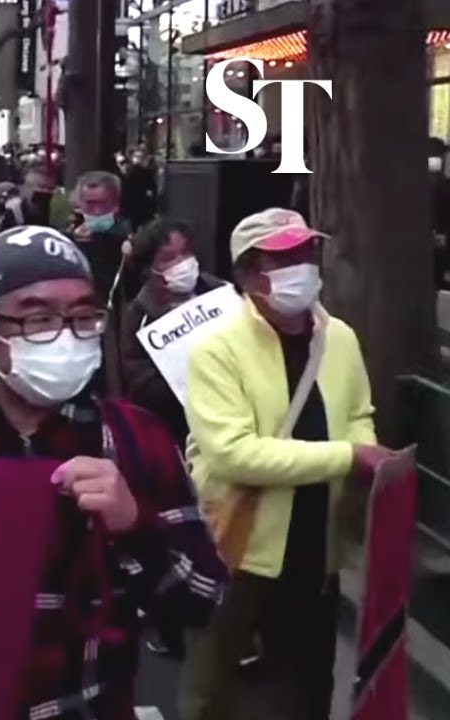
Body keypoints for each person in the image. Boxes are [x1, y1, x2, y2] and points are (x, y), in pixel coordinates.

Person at [0, 224, 228, 718]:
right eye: (37, 319)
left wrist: (135, 528)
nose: (65, 336)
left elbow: (204, 598)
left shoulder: (136, 439)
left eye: (83, 317)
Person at [179, 209, 389, 720]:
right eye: (285, 257)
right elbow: (234, 452)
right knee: (216, 682)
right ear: (250, 274)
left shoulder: (337, 337)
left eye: (306, 254)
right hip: (241, 544)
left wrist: (365, 448)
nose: (303, 266)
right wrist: (347, 457)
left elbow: (358, 413)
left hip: (318, 545)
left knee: (310, 680)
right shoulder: (215, 349)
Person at [120, 218, 226, 447]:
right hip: (180, 431)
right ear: (150, 269)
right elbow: (141, 383)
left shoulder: (223, 293)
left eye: (185, 253)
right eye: (169, 258)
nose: (182, 263)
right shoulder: (140, 317)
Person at [71, 171, 132, 308]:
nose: (97, 211)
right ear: (80, 205)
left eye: (103, 204)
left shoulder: (129, 243)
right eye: (90, 204)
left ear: (116, 205)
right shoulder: (68, 243)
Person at [121, 147, 159, 231]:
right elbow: (153, 189)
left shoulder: (129, 173)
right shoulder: (146, 173)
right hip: (141, 203)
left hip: (134, 203)